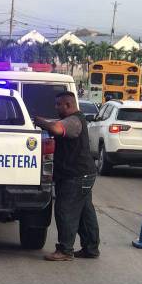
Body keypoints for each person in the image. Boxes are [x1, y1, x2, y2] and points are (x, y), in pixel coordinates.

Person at [34, 92, 99, 261]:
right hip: (82, 173)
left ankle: (65, 250)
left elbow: (56, 128)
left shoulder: (73, 121)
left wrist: (41, 122)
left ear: (68, 105)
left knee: (65, 210)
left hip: (76, 175)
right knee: (85, 212)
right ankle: (91, 248)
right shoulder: (77, 119)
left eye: (58, 105)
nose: (56, 108)